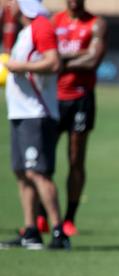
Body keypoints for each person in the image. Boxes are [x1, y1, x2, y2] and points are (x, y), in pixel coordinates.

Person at [0, 0, 70, 250]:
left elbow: (53, 63)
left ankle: (59, 232)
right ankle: (31, 231)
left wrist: (21, 67)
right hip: (20, 112)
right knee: (22, 172)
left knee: (38, 172)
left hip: (36, 113)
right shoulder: (25, 31)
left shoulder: (41, 26)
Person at [48, 0, 106, 237]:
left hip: (81, 99)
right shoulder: (54, 21)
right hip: (53, 98)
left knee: (75, 158)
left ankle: (69, 218)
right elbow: (45, 53)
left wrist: (61, 60)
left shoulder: (96, 24)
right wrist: (79, 54)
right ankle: (43, 215)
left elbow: (93, 60)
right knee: (44, 159)